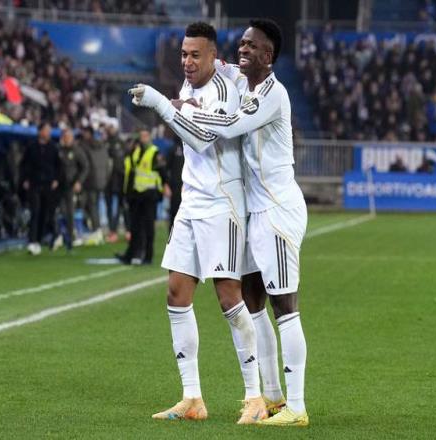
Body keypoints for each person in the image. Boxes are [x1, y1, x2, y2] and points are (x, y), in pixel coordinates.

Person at [130, 19, 309, 426]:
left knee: (273, 306)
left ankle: (284, 403)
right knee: (240, 301)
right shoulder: (237, 82)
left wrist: (166, 106)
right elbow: (225, 72)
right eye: (184, 54)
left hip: (260, 206)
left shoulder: (264, 93)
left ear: (268, 55)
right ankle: (225, 397)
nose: (243, 50)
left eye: (252, 46)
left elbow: (217, 131)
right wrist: (184, 100)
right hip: (224, 205)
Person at [118, 129, 166, 265]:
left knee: (148, 227)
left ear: (149, 137)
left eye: (145, 136)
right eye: (141, 136)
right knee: (135, 226)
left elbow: (161, 172)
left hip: (150, 194)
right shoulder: (137, 151)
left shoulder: (154, 152)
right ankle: (132, 254)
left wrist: (161, 190)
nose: (143, 138)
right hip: (137, 194)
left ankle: (148, 256)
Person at [21, 122, 60, 255]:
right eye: (46, 130)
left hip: (48, 184)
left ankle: (39, 239)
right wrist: (25, 179)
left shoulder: (53, 147)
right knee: (35, 211)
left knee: (44, 212)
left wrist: (56, 179)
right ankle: (32, 240)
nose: (48, 133)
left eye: (49, 130)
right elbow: (24, 164)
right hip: (34, 183)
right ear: (40, 131)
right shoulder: (31, 146)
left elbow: (58, 165)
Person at [57, 127, 89, 250]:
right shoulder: (58, 150)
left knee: (69, 211)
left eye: (69, 137)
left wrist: (79, 181)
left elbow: (85, 167)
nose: (67, 139)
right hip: (59, 185)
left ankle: (70, 237)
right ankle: (60, 235)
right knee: (61, 211)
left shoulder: (77, 151)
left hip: (71, 185)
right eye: (65, 137)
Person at [80, 126, 109, 244]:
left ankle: (95, 230)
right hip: (101, 180)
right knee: (93, 205)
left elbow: (85, 165)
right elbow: (107, 164)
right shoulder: (102, 146)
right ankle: (96, 229)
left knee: (87, 205)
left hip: (90, 180)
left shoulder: (84, 146)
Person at [104, 124, 127, 243]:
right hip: (107, 179)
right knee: (110, 206)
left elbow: (124, 161)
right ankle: (112, 230)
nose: (111, 129)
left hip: (119, 179)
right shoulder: (104, 143)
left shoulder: (121, 143)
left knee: (120, 206)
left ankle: (117, 230)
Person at [165, 135, 184, 232]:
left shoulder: (192, 148)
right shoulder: (173, 149)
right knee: (175, 212)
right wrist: (166, 185)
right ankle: (173, 235)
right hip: (175, 186)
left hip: (189, 186)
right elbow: (166, 168)